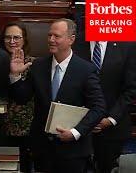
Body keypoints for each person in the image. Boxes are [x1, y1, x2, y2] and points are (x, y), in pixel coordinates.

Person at [10, 18, 105, 173]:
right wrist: (15, 76)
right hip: (42, 149)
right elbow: (22, 98)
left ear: (71, 39)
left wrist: (75, 132)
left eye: (57, 36)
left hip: (73, 152)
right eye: (49, 36)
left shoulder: (86, 70)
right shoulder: (38, 66)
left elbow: (99, 108)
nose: (51, 40)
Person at [73, 38, 136, 173]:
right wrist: (85, 120)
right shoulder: (75, 42)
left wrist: (110, 119)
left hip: (112, 128)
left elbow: (131, 89)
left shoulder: (127, 44)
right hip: (78, 127)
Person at [0, 21, 34, 173]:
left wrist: (16, 75)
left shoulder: (33, 65)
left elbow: (23, 98)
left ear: (24, 39)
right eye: (8, 37)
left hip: (21, 129)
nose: (12, 42)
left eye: (16, 37)